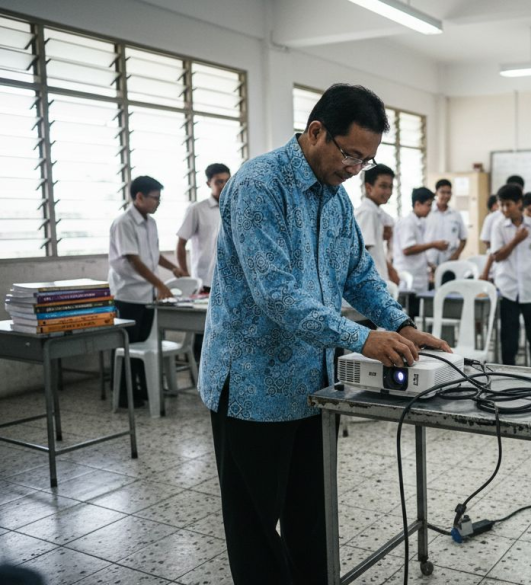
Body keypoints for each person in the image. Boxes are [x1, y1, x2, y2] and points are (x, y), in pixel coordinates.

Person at [197, 84, 450, 585]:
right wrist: (361, 339)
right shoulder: (258, 186)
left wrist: (400, 324)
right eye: (350, 154)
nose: (355, 169)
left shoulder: (334, 199)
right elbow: (276, 295)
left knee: (311, 518)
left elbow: (358, 272)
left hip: (311, 388)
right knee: (255, 531)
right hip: (253, 388)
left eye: (365, 160)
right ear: (316, 132)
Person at [109, 175, 185, 406]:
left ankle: (142, 390)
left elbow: (152, 255)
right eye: (155, 198)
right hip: (127, 294)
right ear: (139, 197)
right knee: (128, 346)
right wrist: (160, 284)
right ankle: (124, 394)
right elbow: (134, 260)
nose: (158, 203)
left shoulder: (150, 222)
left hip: (146, 295)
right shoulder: (124, 222)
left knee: (144, 342)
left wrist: (173, 268)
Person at [177, 163, 230, 363]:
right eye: (219, 181)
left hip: (227, 281)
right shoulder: (197, 209)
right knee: (202, 331)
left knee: (223, 330)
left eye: (227, 180)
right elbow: (181, 242)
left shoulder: (234, 205)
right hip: (204, 281)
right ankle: (201, 372)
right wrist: (184, 273)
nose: (224, 185)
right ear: (209, 183)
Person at [490, 183, 531, 367]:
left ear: (519, 203)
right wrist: (516, 240)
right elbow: (497, 256)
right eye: (502, 205)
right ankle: (510, 374)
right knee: (509, 339)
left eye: (509, 204)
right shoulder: (498, 226)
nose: (504, 209)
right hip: (508, 289)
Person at [393, 186, 447, 295]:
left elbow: (418, 249)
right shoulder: (407, 223)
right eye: (428, 205)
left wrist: (429, 264)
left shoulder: (419, 223)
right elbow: (407, 249)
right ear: (417, 204)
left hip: (418, 277)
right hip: (409, 277)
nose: (430, 209)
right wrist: (433, 245)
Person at [355, 164, 400, 284]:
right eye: (383, 186)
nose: (388, 192)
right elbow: (361, 253)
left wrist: (390, 269)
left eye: (391, 187)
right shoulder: (368, 212)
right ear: (369, 188)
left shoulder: (376, 212)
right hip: (368, 282)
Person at [425, 178, 468, 280]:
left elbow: (463, 238)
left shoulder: (456, 215)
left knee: (450, 291)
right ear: (436, 193)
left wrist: (456, 255)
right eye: (442, 192)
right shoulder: (428, 212)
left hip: (450, 262)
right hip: (429, 264)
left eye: (448, 193)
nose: (446, 196)